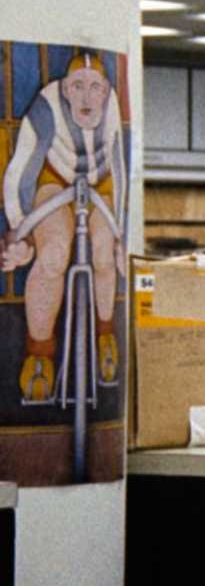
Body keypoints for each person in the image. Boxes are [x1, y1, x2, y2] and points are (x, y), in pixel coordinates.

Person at [1, 50, 126, 401]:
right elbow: (19, 171)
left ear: (104, 91)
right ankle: (39, 353)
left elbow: (119, 169)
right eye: (78, 87)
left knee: (103, 253)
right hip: (53, 178)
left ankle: (104, 334)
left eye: (95, 88)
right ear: (66, 90)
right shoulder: (45, 107)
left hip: (98, 182)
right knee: (54, 252)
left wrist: (121, 239)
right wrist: (19, 233)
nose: (87, 97)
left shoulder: (111, 106)